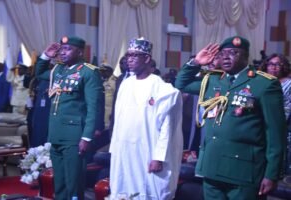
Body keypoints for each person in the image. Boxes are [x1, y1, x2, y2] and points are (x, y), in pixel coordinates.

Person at [175, 36, 286, 200]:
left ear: (246, 56)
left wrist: (272, 174)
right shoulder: (213, 80)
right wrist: (196, 63)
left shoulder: (264, 84)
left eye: (233, 53)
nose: (226, 57)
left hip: (243, 171)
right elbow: (181, 84)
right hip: (212, 166)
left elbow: (276, 134)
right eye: (223, 53)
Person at [109, 37, 183, 200]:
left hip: (148, 151)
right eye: (128, 56)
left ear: (147, 59)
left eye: (135, 56)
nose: (129, 60)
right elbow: (119, 120)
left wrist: (159, 157)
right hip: (125, 151)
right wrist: (114, 148)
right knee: (123, 188)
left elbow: (167, 127)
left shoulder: (162, 89)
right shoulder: (126, 84)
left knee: (149, 191)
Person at [35, 36, 104, 200]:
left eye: (68, 49)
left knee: (73, 181)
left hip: (74, 136)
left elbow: (93, 108)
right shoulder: (58, 70)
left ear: (79, 52)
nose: (62, 52)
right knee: (59, 181)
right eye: (61, 49)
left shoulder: (88, 71)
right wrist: (46, 55)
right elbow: (39, 74)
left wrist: (87, 137)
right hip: (56, 133)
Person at [260, 53, 291, 175]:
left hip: (281, 124)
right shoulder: (261, 81)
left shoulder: (288, 84)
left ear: (283, 66)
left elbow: (287, 108)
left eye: (278, 64)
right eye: (271, 64)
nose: (274, 67)